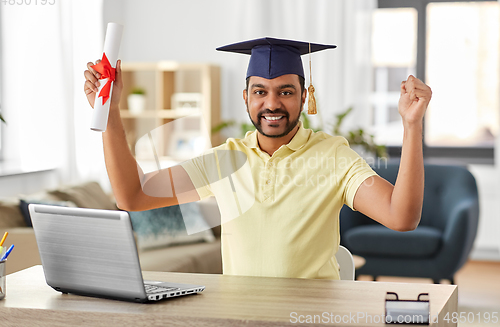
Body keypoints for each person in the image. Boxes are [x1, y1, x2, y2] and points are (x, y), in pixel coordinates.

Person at [84, 37, 432, 280]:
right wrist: (112, 114)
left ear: (304, 96)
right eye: (260, 92)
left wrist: (411, 126)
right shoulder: (223, 161)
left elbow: (401, 217)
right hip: (241, 315)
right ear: (246, 98)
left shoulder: (334, 157)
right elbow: (132, 196)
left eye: (286, 91)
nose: (272, 104)